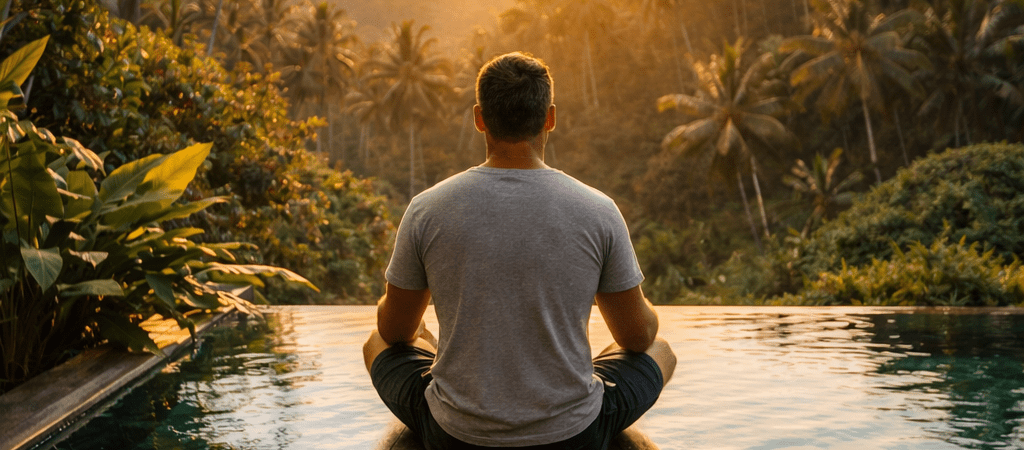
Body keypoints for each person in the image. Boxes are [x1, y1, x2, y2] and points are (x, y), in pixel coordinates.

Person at [362, 52, 676, 450]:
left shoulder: (428, 208)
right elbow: (637, 336)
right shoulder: (598, 209)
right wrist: (644, 317)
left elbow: (393, 332)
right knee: (660, 349)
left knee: (375, 341)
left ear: (479, 118)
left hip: (455, 434)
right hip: (573, 436)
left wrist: (416, 330)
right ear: (550, 118)